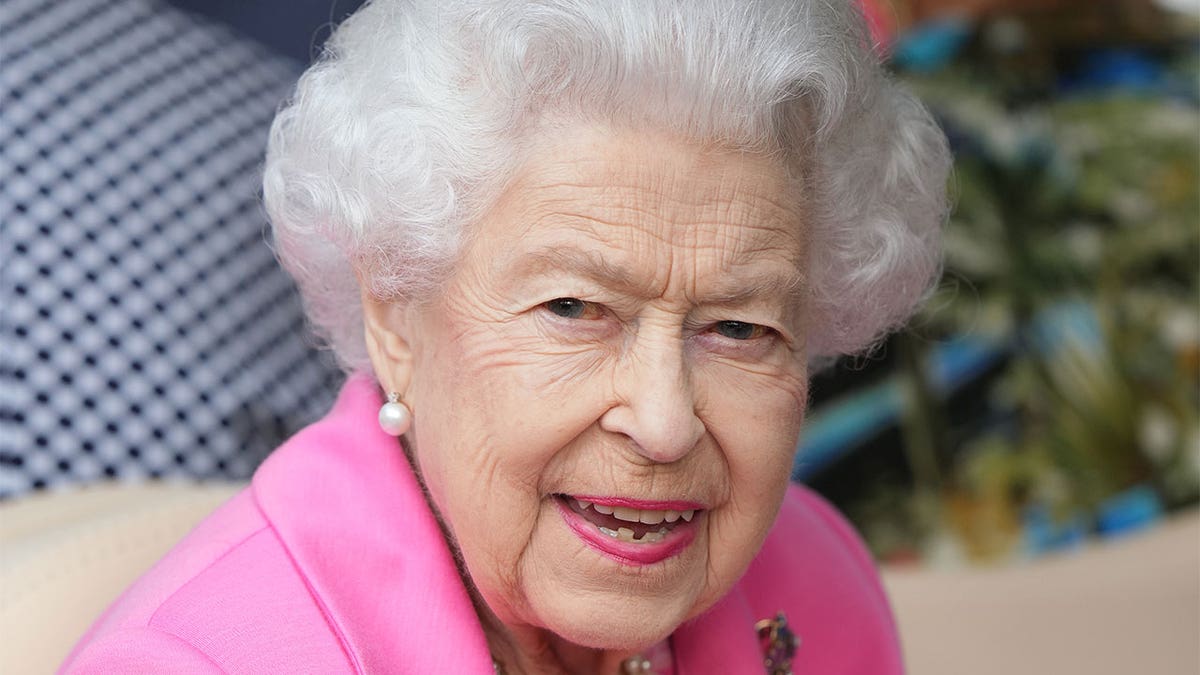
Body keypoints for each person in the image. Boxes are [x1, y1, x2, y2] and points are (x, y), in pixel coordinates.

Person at [62, 0, 949, 672]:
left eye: (739, 327)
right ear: (395, 309)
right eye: (574, 309)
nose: (665, 421)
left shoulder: (819, 584)